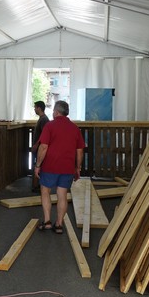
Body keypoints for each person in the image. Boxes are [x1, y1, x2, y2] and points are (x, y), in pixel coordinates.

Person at [34, 100, 85, 234]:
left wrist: (38, 165)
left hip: (49, 166)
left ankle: (47, 221)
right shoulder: (75, 128)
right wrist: (77, 168)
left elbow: (43, 147)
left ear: (56, 112)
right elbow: (80, 151)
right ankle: (59, 224)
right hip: (67, 168)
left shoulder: (49, 126)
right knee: (62, 195)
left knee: (45, 191)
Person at [31, 101, 50, 192]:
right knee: (37, 165)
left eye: (35, 107)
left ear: (39, 108)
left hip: (39, 148)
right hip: (38, 147)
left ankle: (37, 186)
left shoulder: (44, 120)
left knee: (38, 165)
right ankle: (37, 186)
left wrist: (36, 145)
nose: (34, 109)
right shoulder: (42, 119)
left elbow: (44, 135)